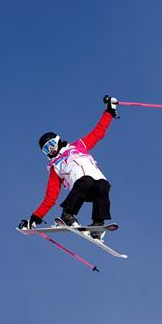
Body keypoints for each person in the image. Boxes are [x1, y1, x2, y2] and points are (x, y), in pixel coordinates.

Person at [19, 96, 118, 240]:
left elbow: (98, 132)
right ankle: (68, 215)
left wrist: (109, 111)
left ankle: (98, 225)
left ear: (58, 140)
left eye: (51, 145)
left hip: (96, 186)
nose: (50, 150)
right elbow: (50, 198)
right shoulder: (55, 166)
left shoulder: (79, 146)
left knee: (103, 184)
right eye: (46, 150)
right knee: (86, 180)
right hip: (81, 189)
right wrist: (34, 219)